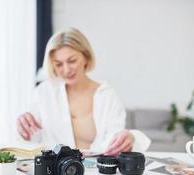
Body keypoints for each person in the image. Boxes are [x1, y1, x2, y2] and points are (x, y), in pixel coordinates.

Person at [17, 28, 151, 155]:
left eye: (72, 61)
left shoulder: (106, 95)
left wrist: (126, 139)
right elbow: (32, 140)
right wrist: (23, 131)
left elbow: (115, 137)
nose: (66, 69)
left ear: (86, 57)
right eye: (58, 64)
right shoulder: (43, 93)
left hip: (98, 174)